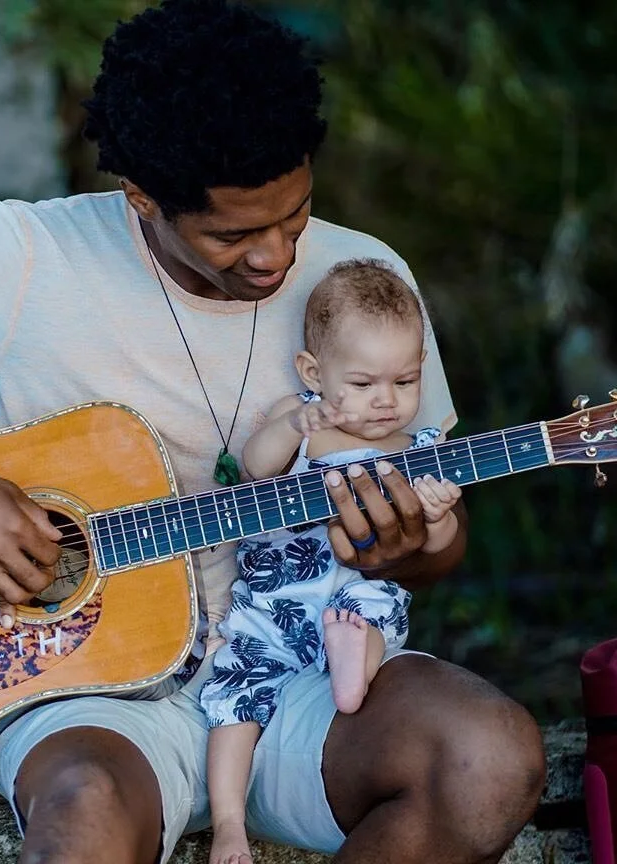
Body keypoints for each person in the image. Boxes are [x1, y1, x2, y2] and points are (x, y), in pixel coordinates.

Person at [0, 1, 544, 862]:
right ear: (141, 196)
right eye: (233, 234)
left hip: (310, 673)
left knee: (486, 757)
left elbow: (438, 542)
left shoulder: (363, 281)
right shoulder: (24, 258)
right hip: (86, 698)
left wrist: (406, 548)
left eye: (295, 215)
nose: (275, 257)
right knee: (84, 809)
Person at [201, 258, 462, 864]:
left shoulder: (421, 451)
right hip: (275, 605)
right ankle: (228, 824)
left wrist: (440, 514)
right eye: (364, 384)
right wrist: (295, 424)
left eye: (405, 381)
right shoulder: (301, 425)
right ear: (314, 373)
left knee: (372, 605)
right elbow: (255, 467)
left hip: (352, 598)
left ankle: (352, 671)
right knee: (235, 701)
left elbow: (435, 542)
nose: (386, 401)